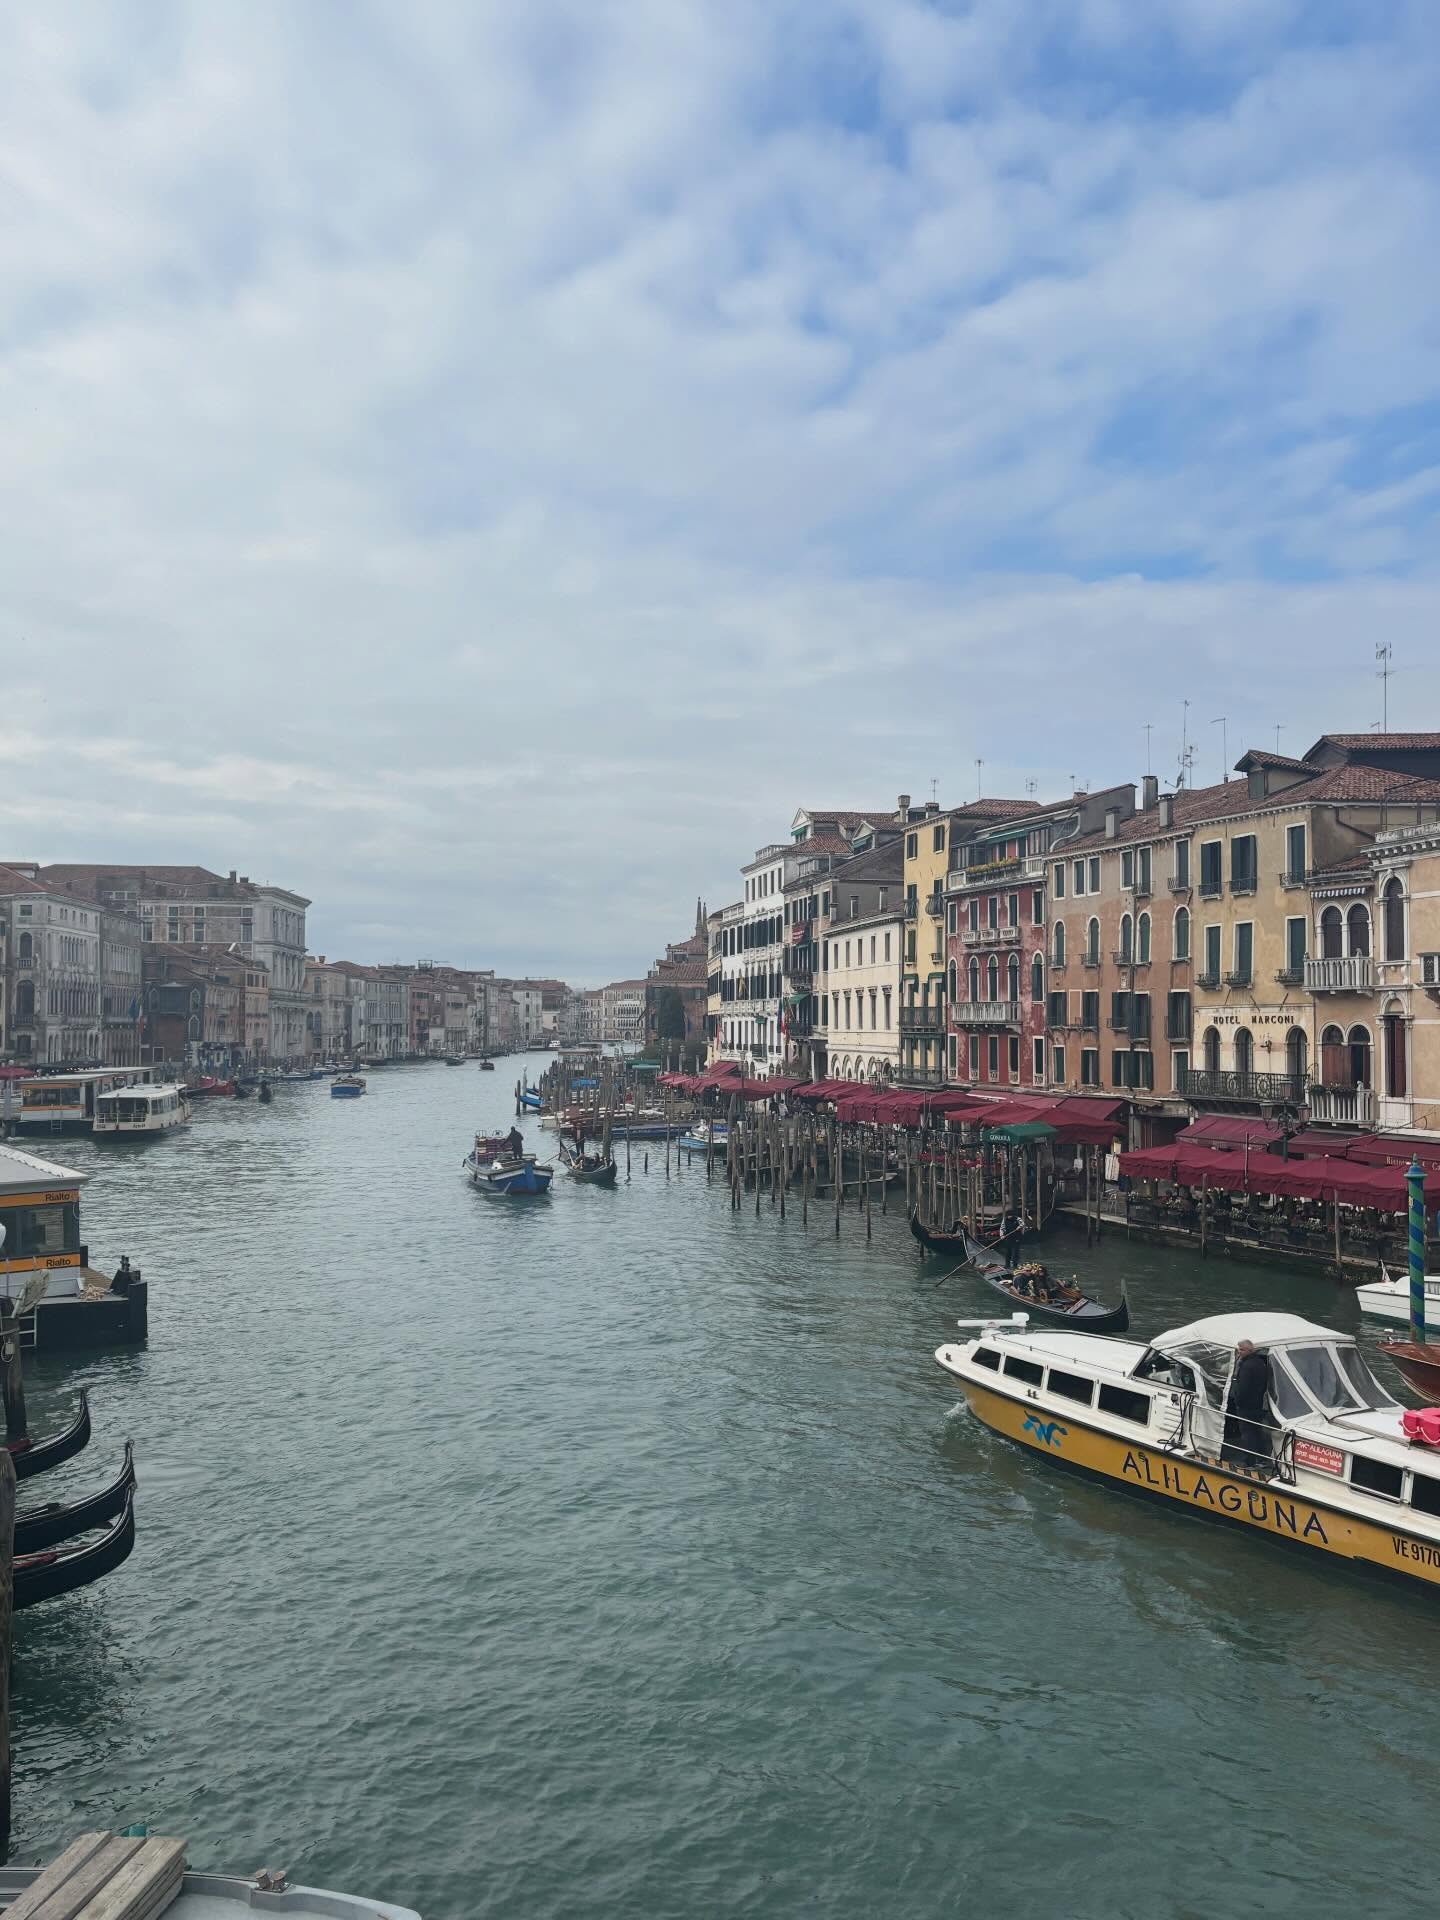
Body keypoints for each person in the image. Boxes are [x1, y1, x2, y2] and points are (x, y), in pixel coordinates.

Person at [1224, 1339, 1273, 1475]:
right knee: (1257, 1431)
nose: (1239, 1352)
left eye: (1241, 1350)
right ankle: (1262, 1459)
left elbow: (1243, 1388)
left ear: (1249, 1350)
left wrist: (1237, 1401)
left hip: (1247, 1406)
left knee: (1247, 1433)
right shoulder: (1260, 1363)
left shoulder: (1247, 1366)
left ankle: (1249, 1461)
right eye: (1238, 1349)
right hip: (1258, 1404)